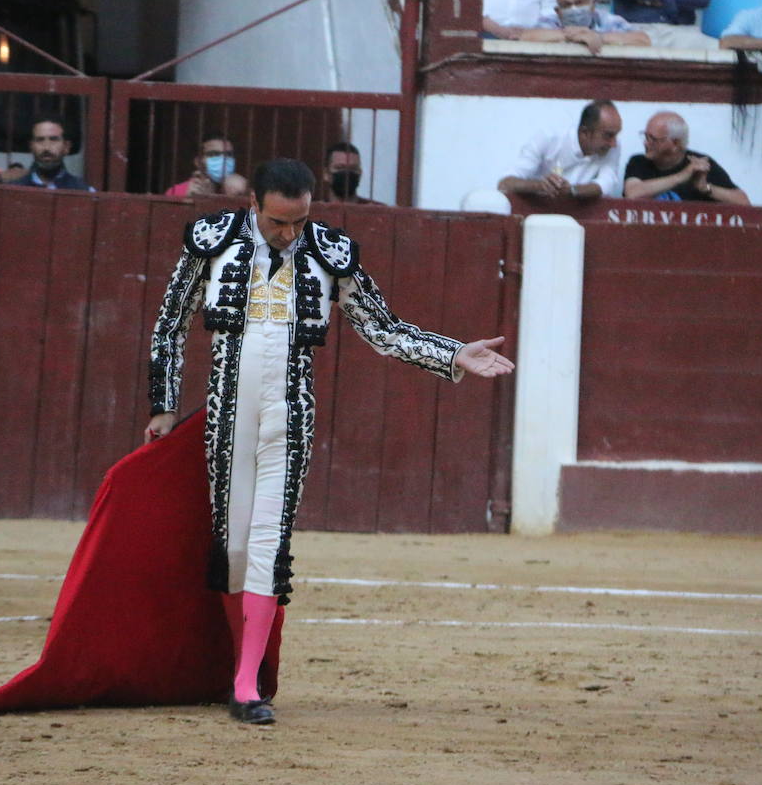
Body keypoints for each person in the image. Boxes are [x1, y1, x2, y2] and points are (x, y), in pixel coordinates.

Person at [146, 158, 514, 724]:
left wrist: (452, 353)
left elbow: (382, 327)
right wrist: (164, 406)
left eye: (299, 222)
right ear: (254, 206)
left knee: (269, 540)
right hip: (228, 412)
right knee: (233, 546)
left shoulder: (329, 253)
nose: (289, 234)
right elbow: (170, 323)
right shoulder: (212, 241)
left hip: (292, 415)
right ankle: (233, 666)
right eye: (277, 223)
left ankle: (247, 684)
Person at [499, 100, 624, 200]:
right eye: (608, 135)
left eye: (616, 135)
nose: (613, 143)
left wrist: (572, 191)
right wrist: (540, 185)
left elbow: (606, 184)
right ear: (585, 132)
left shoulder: (613, 147)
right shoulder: (548, 138)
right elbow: (505, 183)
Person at [624, 111, 750, 204]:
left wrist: (705, 188)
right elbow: (633, 193)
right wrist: (682, 176)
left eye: (653, 139)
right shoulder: (639, 162)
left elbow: (744, 202)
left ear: (675, 144)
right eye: (645, 136)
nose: (646, 143)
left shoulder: (700, 164)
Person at [520, 0, 653, 54]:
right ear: (558, 11)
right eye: (566, 5)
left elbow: (643, 40)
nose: (574, 8)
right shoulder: (550, 21)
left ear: (593, 4)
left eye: (579, 2)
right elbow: (526, 37)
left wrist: (599, 37)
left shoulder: (607, 20)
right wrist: (572, 35)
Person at [3, 113, 93, 190]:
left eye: (53, 139)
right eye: (40, 140)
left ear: (66, 147)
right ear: (31, 147)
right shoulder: (13, 190)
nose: (46, 147)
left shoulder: (84, 191)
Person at [165, 133, 239, 197]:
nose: (223, 159)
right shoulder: (177, 192)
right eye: (214, 154)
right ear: (198, 162)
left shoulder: (241, 190)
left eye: (229, 154)